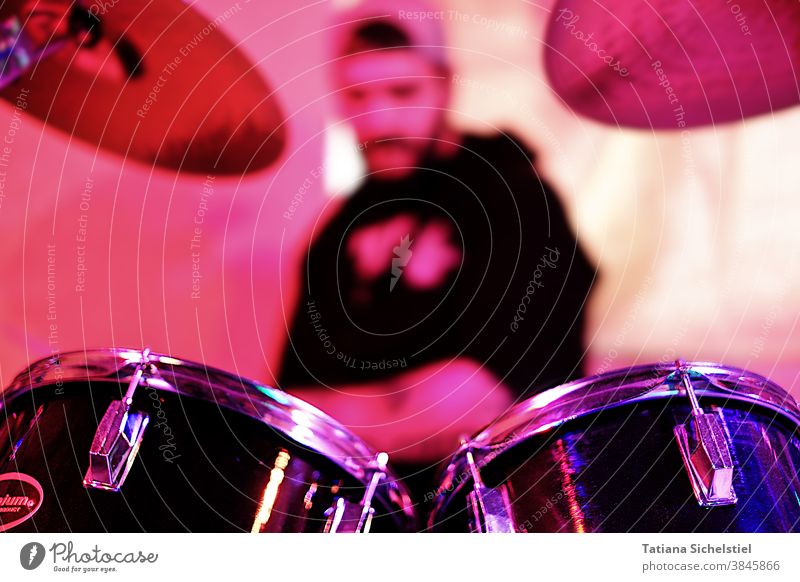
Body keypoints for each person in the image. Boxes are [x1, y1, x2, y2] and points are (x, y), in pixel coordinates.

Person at [278, 1, 596, 502]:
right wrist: (388, 405)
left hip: (498, 511)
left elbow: (471, 408)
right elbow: (292, 410)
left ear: (445, 84)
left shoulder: (512, 195)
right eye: (358, 94)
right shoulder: (336, 228)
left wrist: (345, 416)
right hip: (352, 514)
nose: (379, 117)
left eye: (403, 91)